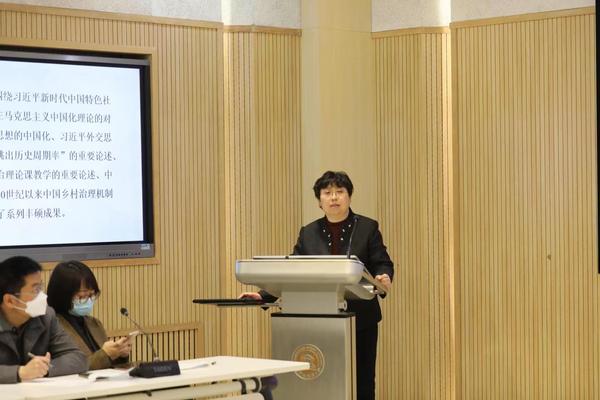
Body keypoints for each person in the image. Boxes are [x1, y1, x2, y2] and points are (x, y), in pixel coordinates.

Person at [241, 170, 394, 400]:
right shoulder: (309, 232)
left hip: (360, 319)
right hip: (318, 321)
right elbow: (292, 272)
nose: (334, 197)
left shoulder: (367, 227)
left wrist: (383, 276)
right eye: (327, 193)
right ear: (319, 201)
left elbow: (382, 262)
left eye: (339, 192)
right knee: (323, 379)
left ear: (349, 196)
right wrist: (263, 295)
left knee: (361, 381)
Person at [0, 256, 88, 383]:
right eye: (35, 290)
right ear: (10, 300)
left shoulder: (46, 316)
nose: (42, 296)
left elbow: (78, 358)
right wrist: (20, 372)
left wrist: (43, 369)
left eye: (40, 287)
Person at [47, 260, 131, 370]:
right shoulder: (53, 327)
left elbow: (108, 364)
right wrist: (105, 354)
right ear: (63, 295)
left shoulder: (95, 323)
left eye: (91, 295)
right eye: (82, 297)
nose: (89, 300)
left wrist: (120, 354)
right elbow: (70, 368)